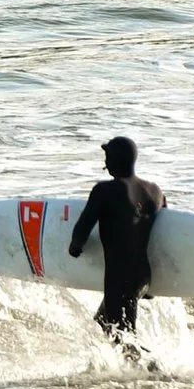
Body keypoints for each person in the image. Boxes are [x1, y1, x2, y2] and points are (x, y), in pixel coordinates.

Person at [67, 135, 166, 339]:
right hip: (144, 276)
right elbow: (164, 231)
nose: (105, 162)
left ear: (115, 159)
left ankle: (152, 370)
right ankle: (113, 369)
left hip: (120, 279)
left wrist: (75, 247)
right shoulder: (155, 191)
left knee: (123, 340)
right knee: (103, 324)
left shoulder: (104, 191)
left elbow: (82, 229)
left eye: (107, 156)